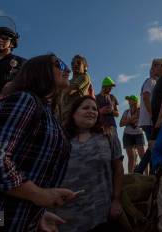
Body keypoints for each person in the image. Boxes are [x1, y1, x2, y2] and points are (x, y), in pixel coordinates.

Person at [0, 54, 75, 231]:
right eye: (59, 64)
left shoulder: (48, 114)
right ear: (39, 70)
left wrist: (37, 215)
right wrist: (40, 195)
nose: (67, 70)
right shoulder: (24, 99)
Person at [52, 96, 124, 231]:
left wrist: (116, 200)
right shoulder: (60, 138)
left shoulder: (109, 135)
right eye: (85, 108)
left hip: (100, 214)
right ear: (73, 114)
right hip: (65, 216)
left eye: (94, 109)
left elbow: (118, 170)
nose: (91, 111)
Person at [59, 54, 93, 121]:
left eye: (79, 63)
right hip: (62, 115)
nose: (75, 65)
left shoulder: (84, 76)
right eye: (73, 63)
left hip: (74, 115)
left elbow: (69, 90)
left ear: (85, 67)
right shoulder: (68, 81)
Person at [120, 95, 147, 173]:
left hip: (139, 134)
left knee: (143, 156)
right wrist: (131, 120)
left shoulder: (141, 111)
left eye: (130, 100)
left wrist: (128, 120)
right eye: (128, 100)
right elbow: (121, 124)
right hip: (127, 135)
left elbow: (142, 120)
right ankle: (130, 176)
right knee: (131, 157)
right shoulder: (126, 111)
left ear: (135, 102)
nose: (128, 102)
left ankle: (148, 175)